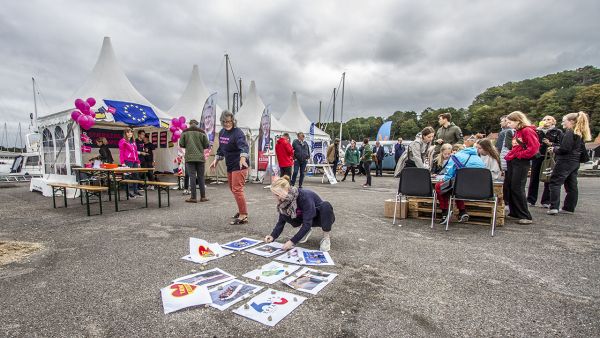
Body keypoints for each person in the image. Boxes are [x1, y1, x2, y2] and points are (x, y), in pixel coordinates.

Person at [264, 175, 335, 252]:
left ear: (286, 189)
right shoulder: (284, 200)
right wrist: (273, 236)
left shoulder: (304, 196)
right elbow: (281, 221)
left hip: (320, 218)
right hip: (305, 217)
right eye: (274, 195)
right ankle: (305, 230)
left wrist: (292, 241)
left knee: (326, 205)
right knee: (283, 212)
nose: (276, 198)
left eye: (277, 195)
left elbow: (307, 223)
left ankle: (326, 238)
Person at [210, 111, 250, 224]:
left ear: (233, 121)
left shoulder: (238, 133)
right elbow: (221, 149)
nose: (227, 123)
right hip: (230, 164)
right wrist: (216, 160)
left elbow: (244, 147)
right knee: (233, 189)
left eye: (229, 121)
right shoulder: (222, 132)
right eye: (224, 122)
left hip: (240, 164)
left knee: (237, 189)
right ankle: (241, 210)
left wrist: (242, 158)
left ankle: (243, 215)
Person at [547, 112, 591, 215]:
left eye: (564, 121)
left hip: (565, 160)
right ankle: (569, 208)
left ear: (571, 121)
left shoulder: (570, 132)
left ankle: (554, 207)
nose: (563, 123)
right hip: (575, 162)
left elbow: (565, 149)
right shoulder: (580, 133)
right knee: (571, 185)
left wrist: (554, 149)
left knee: (555, 182)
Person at [504, 111, 540, 224]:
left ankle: (525, 215)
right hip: (514, 161)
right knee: (510, 186)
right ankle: (515, 212)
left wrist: (519, 155)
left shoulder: (527, 130)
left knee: (518, 187)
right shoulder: (518, 131)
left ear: (517, 121)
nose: (508, 125)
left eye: (510, 122)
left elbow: (534, 148)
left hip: (521, 162)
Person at [435, 145, 486, 224]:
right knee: (457, 188)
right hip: (479, 189)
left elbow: (449, 174)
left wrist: (443, 179)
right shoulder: (478, 158)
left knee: (440, 186)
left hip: (462, 187)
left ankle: (445, 212)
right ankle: (462, 211)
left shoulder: (456, 157)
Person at [527, 115, 563, 207]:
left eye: (548, 119)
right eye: (544, 119)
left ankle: (546, 201)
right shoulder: (537, 131)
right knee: (534, 178)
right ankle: (531, 200)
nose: (546, 121)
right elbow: (531, 142)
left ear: (553, 122)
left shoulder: (557, 131)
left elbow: (561, 145)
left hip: (549, 157)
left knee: (548, 177)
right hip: (537, 156)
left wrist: (550, 143)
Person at [179, 119, 210, 203]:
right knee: (201, 177)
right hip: (200, 157)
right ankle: (203, 197)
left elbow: (181, 144)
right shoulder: (202, 132)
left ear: (189, 124)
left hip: (189, 158)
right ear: (197, 124)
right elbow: (207, 145)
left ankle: (193, 197)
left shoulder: (185, 132)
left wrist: (188, 144)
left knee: (192, 177)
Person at [118, 128, 142, 198]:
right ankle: (128, 193)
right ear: (125, 133)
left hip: (135, 161)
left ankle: (135, 191)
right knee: (127, 177)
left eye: (131, 132)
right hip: (127, 161)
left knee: (136, 176)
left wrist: (138, 162)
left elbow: (135, 153)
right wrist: (122, 162)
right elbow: (121, 152)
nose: (130, 134)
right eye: (128, 132)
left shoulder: (133, 141)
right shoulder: (122, 141)